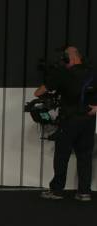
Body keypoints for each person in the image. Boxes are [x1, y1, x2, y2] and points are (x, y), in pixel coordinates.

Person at [35, 46, 97, 202]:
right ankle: (84, 192)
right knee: (85, 156)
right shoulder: (92, 72)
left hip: (69, 120)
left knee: (62, 155)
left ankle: (56, 190)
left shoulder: (63, 73)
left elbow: (39, 92)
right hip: (88, 121)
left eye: (65, 58)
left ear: (72, 58)